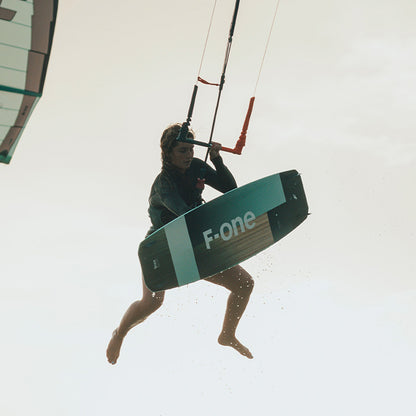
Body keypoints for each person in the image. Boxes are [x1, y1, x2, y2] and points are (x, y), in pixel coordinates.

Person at [106, 123, 254, 364]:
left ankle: (227, 335)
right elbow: (185, 214)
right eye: (182, 151)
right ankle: (119, 334)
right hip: (163, 247)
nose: (188, 155)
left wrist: (216, 159)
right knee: (152, 302)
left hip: (193, 241)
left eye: (191, 149)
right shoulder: (163, 184)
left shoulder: (196, 167)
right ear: (168, 153)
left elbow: (230, 189)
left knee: (244, 284)